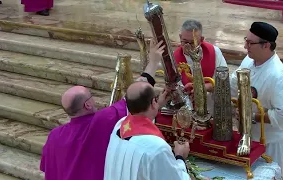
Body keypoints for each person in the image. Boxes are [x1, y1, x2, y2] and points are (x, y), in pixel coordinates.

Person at [40, 39, 166, 180]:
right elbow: (135, 94)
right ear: (87, 105)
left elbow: (47, 168)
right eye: (91, 96)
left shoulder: (54, 136)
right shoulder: (100, 121)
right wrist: (154, 62)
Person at [230, 22, 283, 174]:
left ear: (266, 45)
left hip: (269, 141)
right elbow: (234, 84)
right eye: (246, 40)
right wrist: (210, 86)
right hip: (247, 136)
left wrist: (252, 116)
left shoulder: (277, 75)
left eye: (250, 43)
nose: (246, 46)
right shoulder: (249, 60)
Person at [104, 81, 191, 180]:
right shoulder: (157, 147)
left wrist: (157, 105)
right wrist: (180, 157)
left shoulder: (120, 125)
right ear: (153, 102)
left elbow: (142, 119)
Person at [174, 19, 228, 94]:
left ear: (201, 39)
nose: (188, 46)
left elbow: (224, 81)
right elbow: (174, 86)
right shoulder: (174, 57)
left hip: (210, 102)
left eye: (193, 42)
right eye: (185, 41)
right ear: (180, 37)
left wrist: (205, 87)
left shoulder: (214, 52)